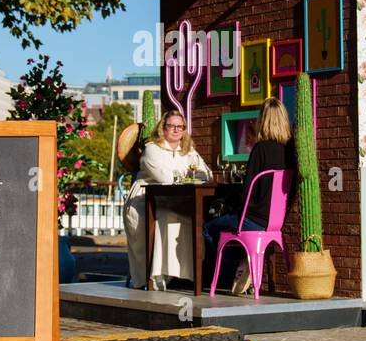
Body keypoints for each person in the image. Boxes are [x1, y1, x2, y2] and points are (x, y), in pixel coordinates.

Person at [201, 97, 297, 295]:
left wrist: (233, 205)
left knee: (208, 228)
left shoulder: (260, 149)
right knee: (231, 223)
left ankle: (239, 265)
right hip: (276, 224)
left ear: (263, 120)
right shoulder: (291, 151)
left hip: (252, 219)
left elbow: (246, 193)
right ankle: (246, 259)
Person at [122, 110, 211, 290]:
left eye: (180, 127)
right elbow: (164, 178)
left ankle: (180, 275)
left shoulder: (188, 151)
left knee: (188, 221)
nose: (176, 130)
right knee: (164, 218)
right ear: (163, 128)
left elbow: (206, 174)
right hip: (143, 201)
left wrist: (190, 176)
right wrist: (188, 176)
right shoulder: (152, 149)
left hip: (175, 201)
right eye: (172, 126)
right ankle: (154, 277)